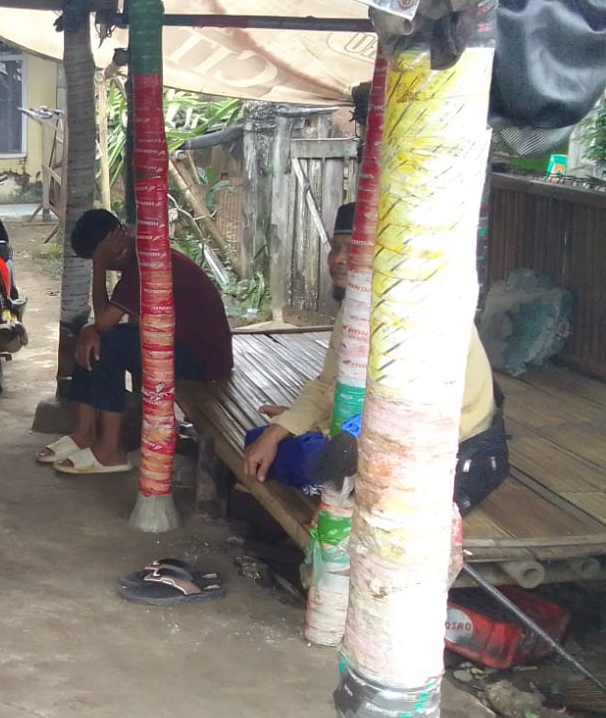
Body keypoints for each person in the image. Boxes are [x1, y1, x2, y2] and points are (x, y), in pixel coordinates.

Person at [243, 202, 509, 513]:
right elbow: (329, 383)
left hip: (442, 451)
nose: (339, 259)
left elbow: (406, 416)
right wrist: (283, 428)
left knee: (302, 459)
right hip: (377, 431)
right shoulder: (358, 302)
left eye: (354, 250)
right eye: (335, 247)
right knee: (260, 440)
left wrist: (322, 430)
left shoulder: (423, 311)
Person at [37, 208, 233, 474]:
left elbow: (104, 321)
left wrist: (99, 266)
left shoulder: (145, 264)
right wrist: (90, 330)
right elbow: (110, 322)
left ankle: (111, 452)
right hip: (180, 344)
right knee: (89, 338)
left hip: (203, 359)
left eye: (100, 257)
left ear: (114, 248)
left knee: (104, 346)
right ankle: (84, 434)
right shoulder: (140, 256)